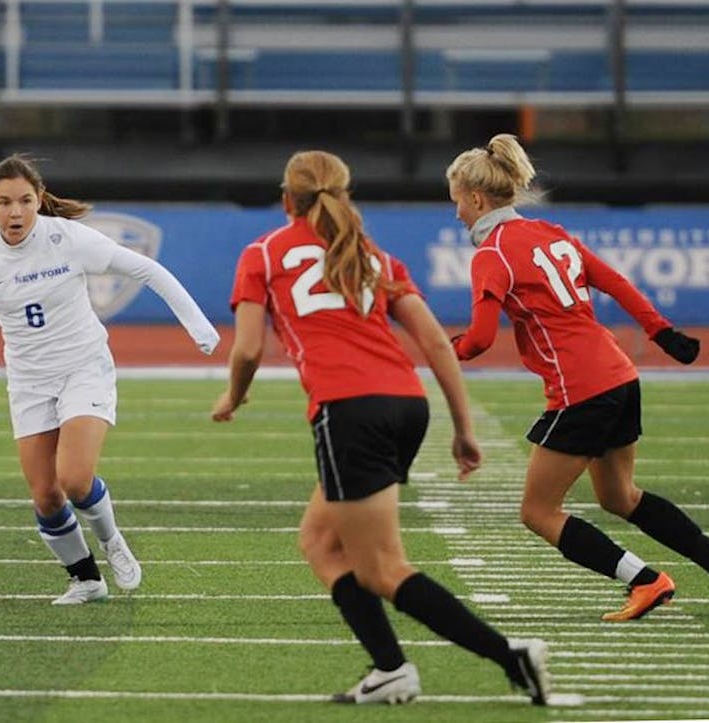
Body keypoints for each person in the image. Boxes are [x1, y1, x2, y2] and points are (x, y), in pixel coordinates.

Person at [211, 150, 550, 705]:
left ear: (285, 199)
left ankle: (509, 656)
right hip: (405, 406)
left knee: (381, 568)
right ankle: (391, 670)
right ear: (343, 195)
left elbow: (248, 346)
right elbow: (436, 342)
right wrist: (463, 427)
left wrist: (233, 396)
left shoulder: (263, 253)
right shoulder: (371, 254)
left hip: (350, 411)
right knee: (321, 542)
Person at [447, 133, 709, 622]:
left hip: (581, 389)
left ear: (477, 199)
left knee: (537, 512)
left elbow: (480, 339)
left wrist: (445, 349)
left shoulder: (493, 253)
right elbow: (615, 281)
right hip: (619, 376)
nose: (457, 213)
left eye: (457, 202)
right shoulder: (551, 233)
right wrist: (660, 331)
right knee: (619, 496)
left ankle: (646, 580)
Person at [0, 154, 220, 605]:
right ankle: (86, 580)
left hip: (84, 367)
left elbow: (147, 269)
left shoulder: (69, 239)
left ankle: (112, 539)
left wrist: (198, 326)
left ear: (39, 199)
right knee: (45, 496)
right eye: (4, 202)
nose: (16, 211)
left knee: (75, 480)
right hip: (28, 381)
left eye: (24, 200)